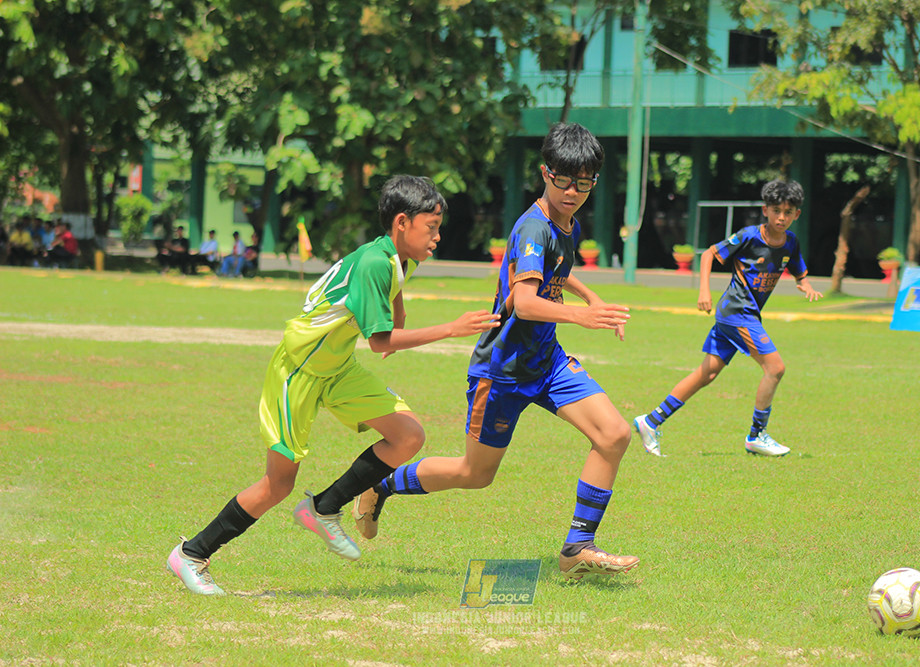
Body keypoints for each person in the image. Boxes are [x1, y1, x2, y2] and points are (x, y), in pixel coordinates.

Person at [166, 175, 500, 595]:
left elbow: (393, 295)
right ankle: (192, 554)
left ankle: (323, 508)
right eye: (431, 227)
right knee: (277, 485)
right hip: (299, 371)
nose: (437, 236)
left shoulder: (399, 258)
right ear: (402, 222)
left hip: (337, 367)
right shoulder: (374, 262)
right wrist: (451, 329)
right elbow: (380, 343)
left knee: (408, 435)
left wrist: (398, 315)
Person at [351, 123, 638, 582]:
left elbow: (555, 269)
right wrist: (583, 317)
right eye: (563, 179)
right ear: (545, 173)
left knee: (614, 434)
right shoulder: (531, 226)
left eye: (583, 182)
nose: (572, 191)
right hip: (501, 371)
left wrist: (589, 297)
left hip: (547, 362)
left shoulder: (567, 223)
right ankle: (380, 483)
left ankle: (577, 547)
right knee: (475, 473)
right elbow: (524, 302)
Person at [632, 179, 823, 458]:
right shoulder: (748, 236)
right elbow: (710, 254)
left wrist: (804, 284)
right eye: (776, 210)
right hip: (736, 312)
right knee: (775, 368)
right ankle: (756, 435)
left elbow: (798, 269)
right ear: (765, 210)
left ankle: (650, 421)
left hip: (742, 314)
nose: (782, 217)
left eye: (788, 211)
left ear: (797, 214)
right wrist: (704, 291)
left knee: (706, 373)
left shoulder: (790, 242)